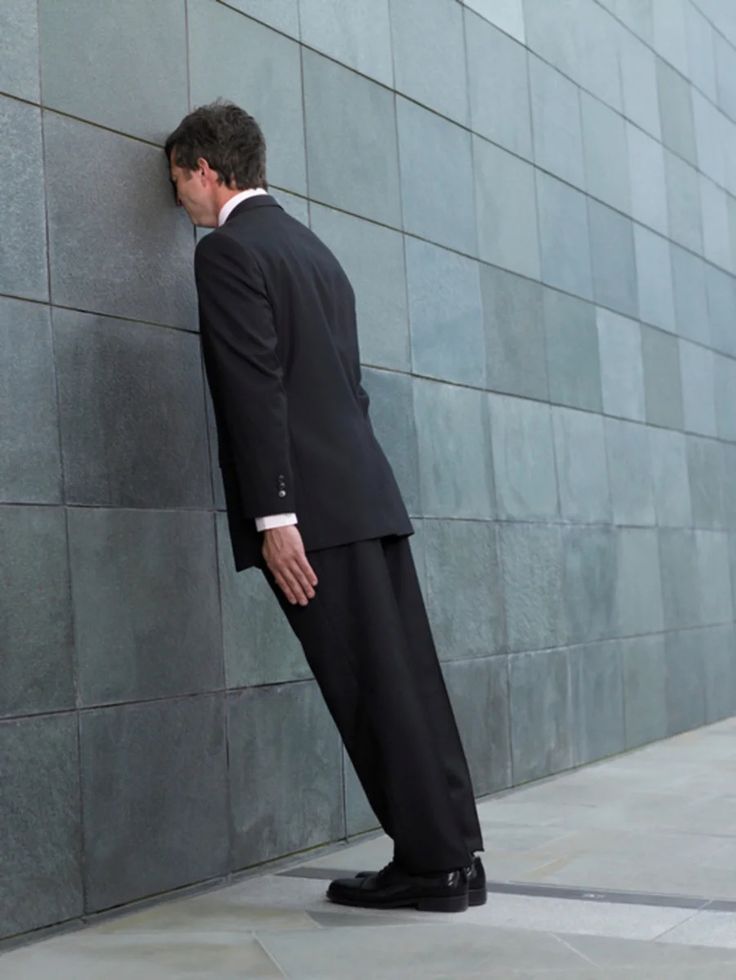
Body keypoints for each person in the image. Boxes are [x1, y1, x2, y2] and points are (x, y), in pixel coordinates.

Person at [164, 99, 486, 913]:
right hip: (367, 498)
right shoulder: (314, 250)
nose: (182, 204)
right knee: (407, 677)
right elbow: (349, 386)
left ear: (207, 170)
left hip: (313, 520)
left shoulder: (228, 254)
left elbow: (254, 390)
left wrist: (277, 519)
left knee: (367, 688)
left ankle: (431, 867)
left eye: (179, 184)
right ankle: (455, 852)